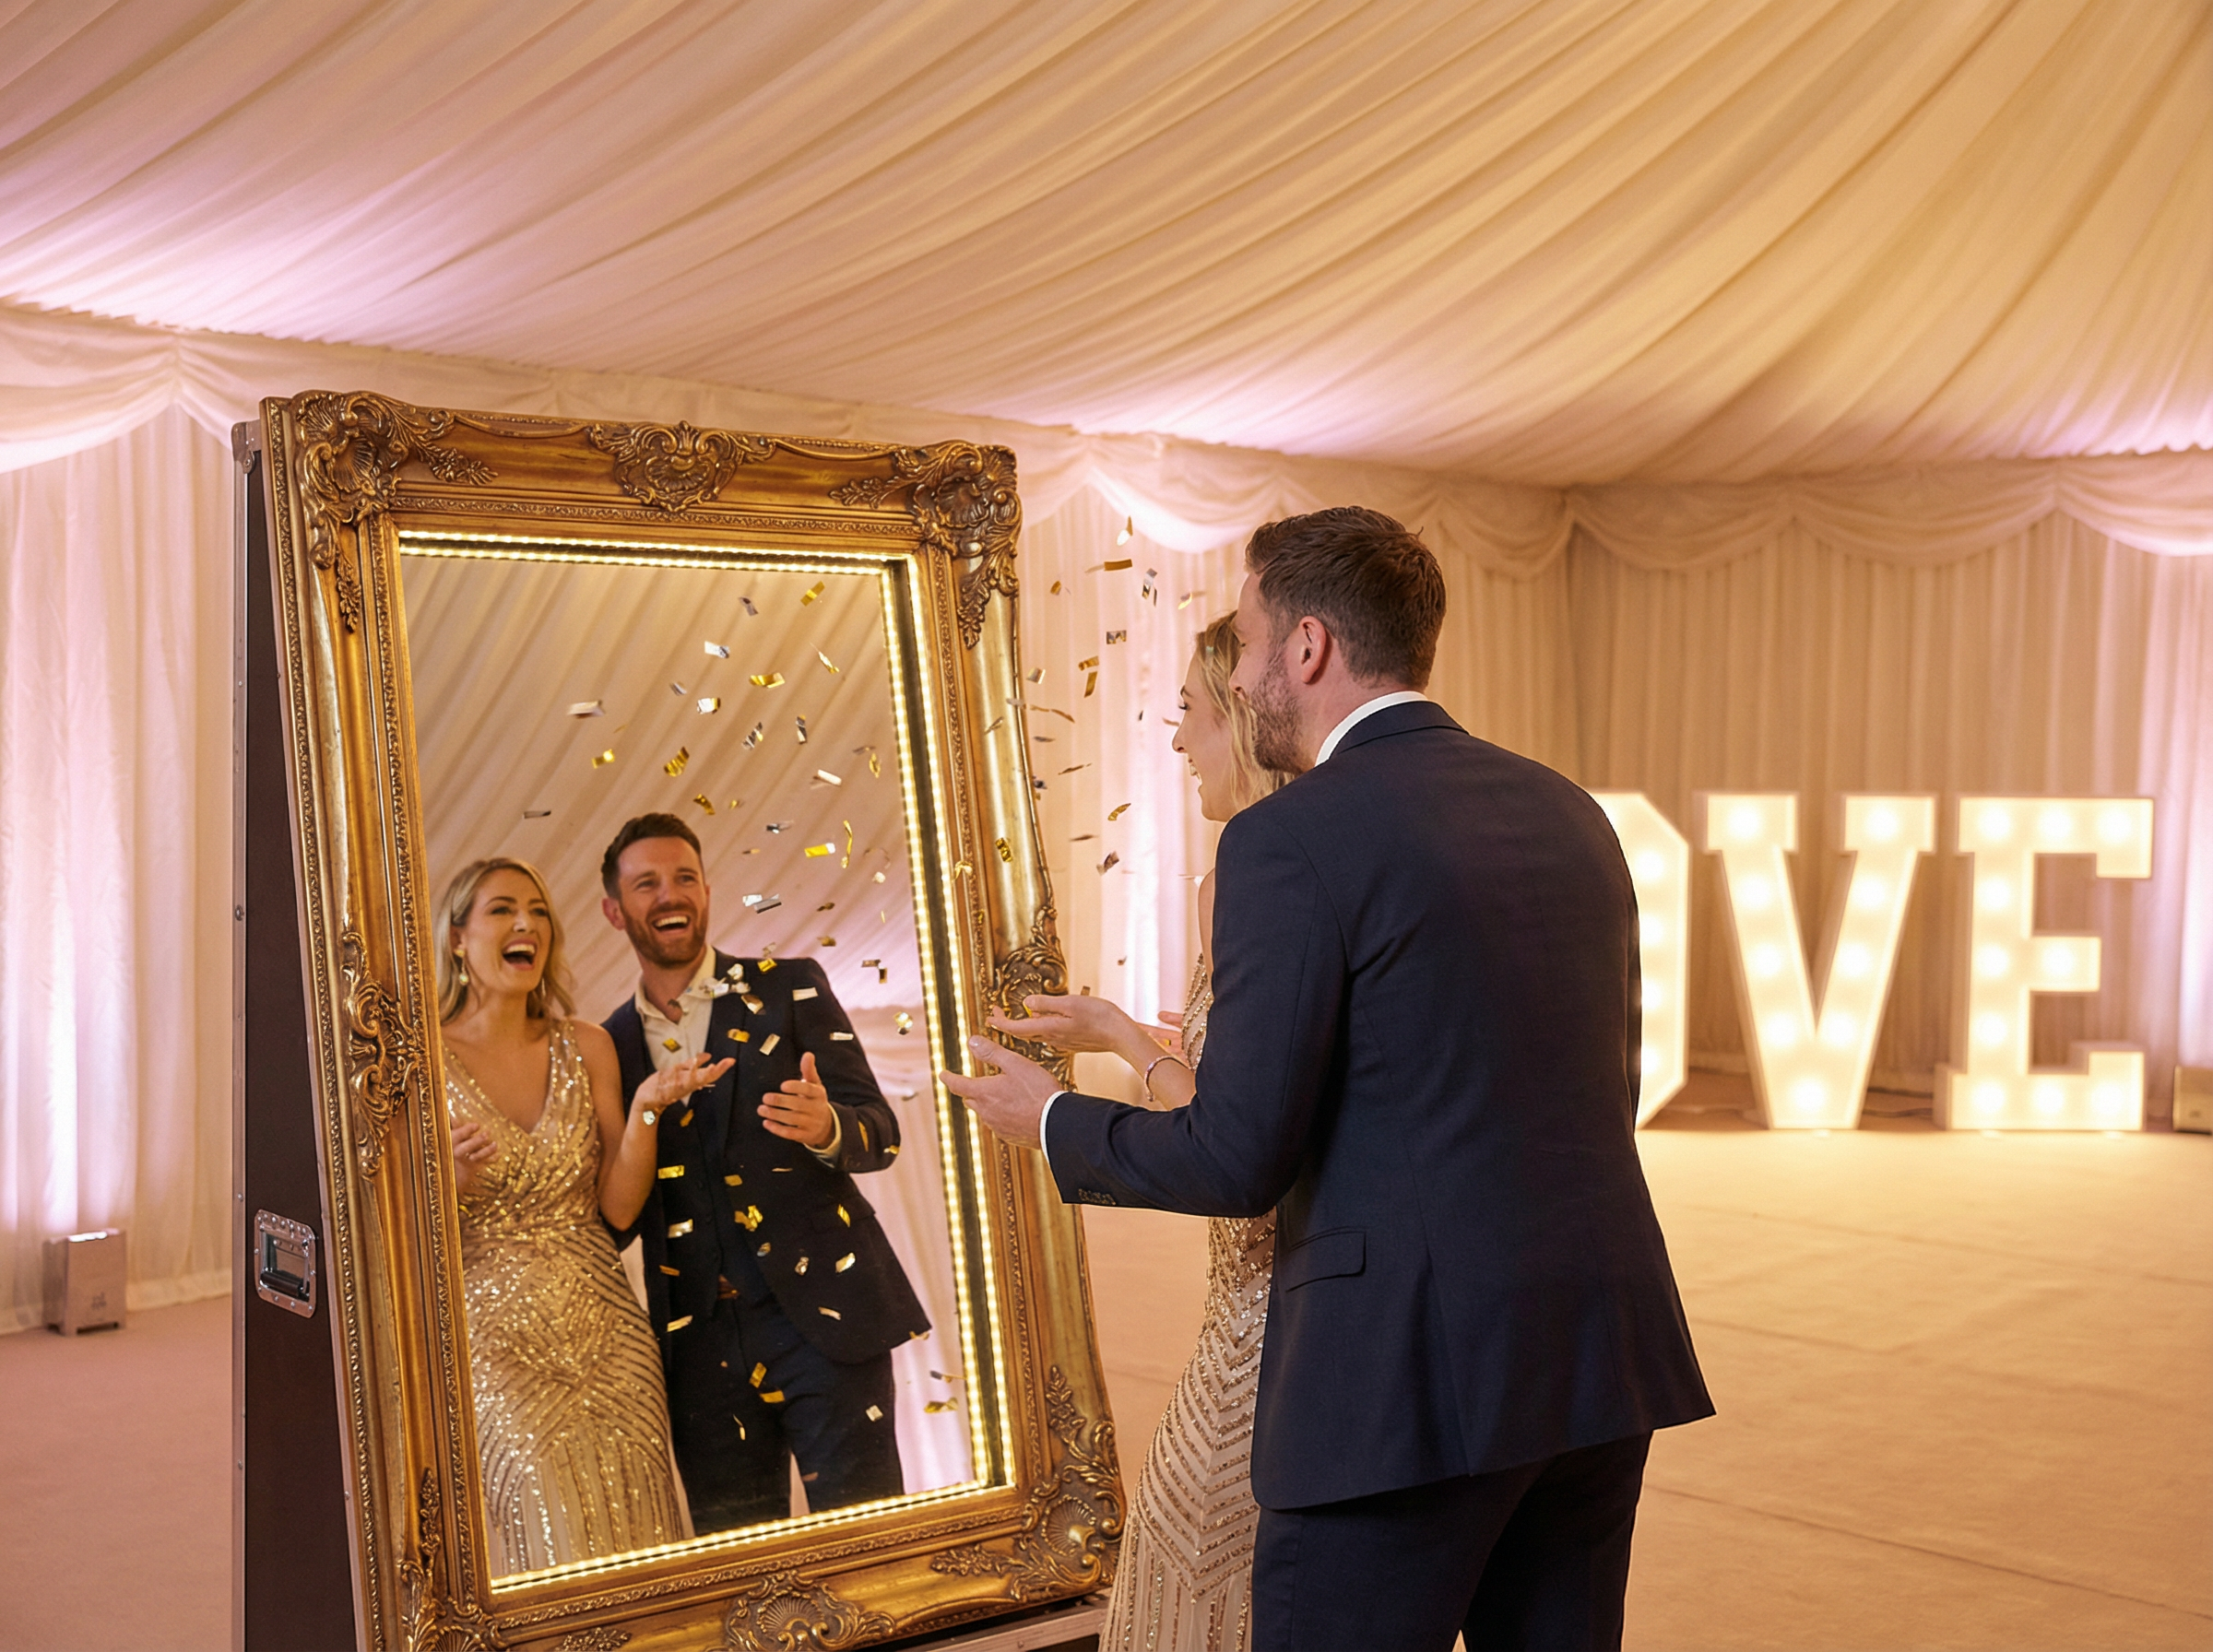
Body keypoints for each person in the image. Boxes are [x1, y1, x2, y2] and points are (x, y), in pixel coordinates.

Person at [946, 507, 1714, 1652]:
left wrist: (1053, 1118)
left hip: (1399, 1382)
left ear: (1306, 648)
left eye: (1251, 642)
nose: (1245, 670)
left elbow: (1235, 1156)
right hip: (1598, 1353)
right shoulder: (1568, 810)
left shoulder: (1290, 839)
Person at [987, 609, 1291, 1649]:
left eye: (1188, 716)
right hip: (1241, 1294)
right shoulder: (1241, 877)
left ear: (1241, 725)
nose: (1172, 742)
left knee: (1187, 1553)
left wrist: (1058, 1114)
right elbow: (1240, 1072)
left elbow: (1225, 1122)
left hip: (1268, 1308)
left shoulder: (1253, 871)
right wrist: (1116, 1026)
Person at [598, 812, 930, 1533]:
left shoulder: (789, 987)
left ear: (708, 890)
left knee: (869, 1547)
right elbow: (611, 1217)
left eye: (684, 876)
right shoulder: (608, 1049)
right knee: (741, 1576)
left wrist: (830, 1128)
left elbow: (881, 1131)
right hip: (698, 1348)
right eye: (647, 883)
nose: (669, 894)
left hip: (826, 1327)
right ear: (613, 909)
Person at [438, 856, 710, 1575]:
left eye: (537, 911)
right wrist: (444, 1182)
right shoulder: (418, 1062)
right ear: (458, 938)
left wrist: (649, 1108)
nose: (526, 923)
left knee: (649, 1534)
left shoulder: (585, 1045)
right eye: (502, 910)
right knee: (547, 1528)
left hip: (608, 1331)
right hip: (496, 1341)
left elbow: (618, 1205)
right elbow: (378, 1230)